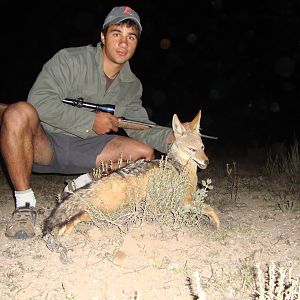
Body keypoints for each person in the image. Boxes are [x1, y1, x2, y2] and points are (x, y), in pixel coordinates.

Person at [0, 6, 173, 239]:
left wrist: (173, 138)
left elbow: (139, 125)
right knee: (17, 112)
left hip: (89, 151)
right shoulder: (70, 59)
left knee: (143, 153)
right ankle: (24, 205)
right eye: (116, 34)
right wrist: (90, 121)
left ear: (137, 43)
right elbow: (39, 101)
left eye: (131, 37)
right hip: (45, 145)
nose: (123, 43)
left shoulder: (132, 84)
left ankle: (81, 188)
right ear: (102, 36)